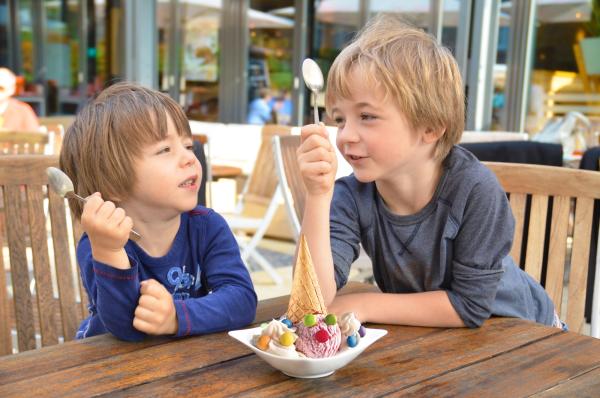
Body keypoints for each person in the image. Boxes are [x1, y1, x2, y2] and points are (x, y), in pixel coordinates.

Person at [297, 15, 561, 329]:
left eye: (366, 116)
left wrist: (362, 303)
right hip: (438, 341)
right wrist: (317, 197)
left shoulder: (474, 190)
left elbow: (471, 306)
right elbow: (313, 300)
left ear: (431, 128)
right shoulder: (351, 196)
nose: (345, 135)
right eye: (340, 119)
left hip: (523, 332)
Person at [59, 82, 257, 341]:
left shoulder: (207, 227)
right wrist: (110, 252)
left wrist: (176, 316)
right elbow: (125, 329)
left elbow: (242, 300)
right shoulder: (100, 244)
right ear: (112, 183)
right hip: (111, 372)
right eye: (165, 150)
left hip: (181, 367)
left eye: (188, 145)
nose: (189, 158)